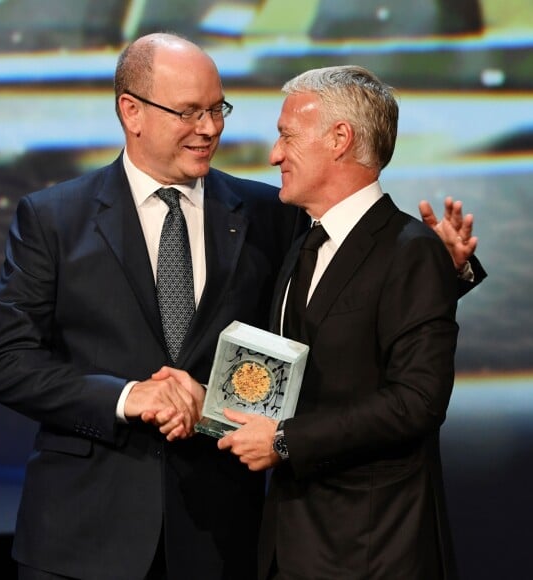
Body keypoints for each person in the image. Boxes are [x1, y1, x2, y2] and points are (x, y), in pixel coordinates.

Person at [0, 33, 483, 580]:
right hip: (82, 534)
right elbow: (7, 361)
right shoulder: (53, 218)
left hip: (222, 534)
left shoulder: (272, 213)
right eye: (189, 111)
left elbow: (350, 295)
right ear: (132, 111)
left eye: (217, 108)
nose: (211, 128)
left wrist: (444, 271)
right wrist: (127, 397)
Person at [211, 65, 476, 579]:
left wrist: (286, 440)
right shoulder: (304, 244)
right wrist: (204, 397)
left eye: (287, 136)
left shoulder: (410, 250)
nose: (275, 154)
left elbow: (417, 401)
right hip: (293, 541)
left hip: (372, 550)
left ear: (340, 138)